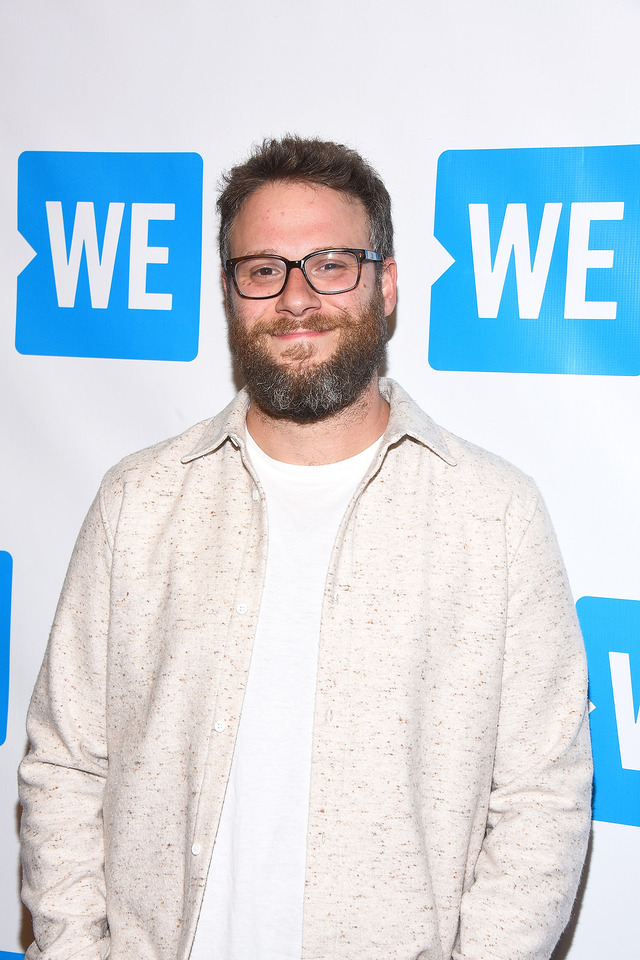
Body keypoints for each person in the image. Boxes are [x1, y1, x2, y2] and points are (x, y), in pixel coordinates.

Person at [19, 136, 592, 960]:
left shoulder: (492, 514)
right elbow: (66, 765)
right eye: (263, 269)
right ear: (230, 295)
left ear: (385, 284)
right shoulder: (138, 501)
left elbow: (543, 798)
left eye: (330, 265)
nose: (296, 297)